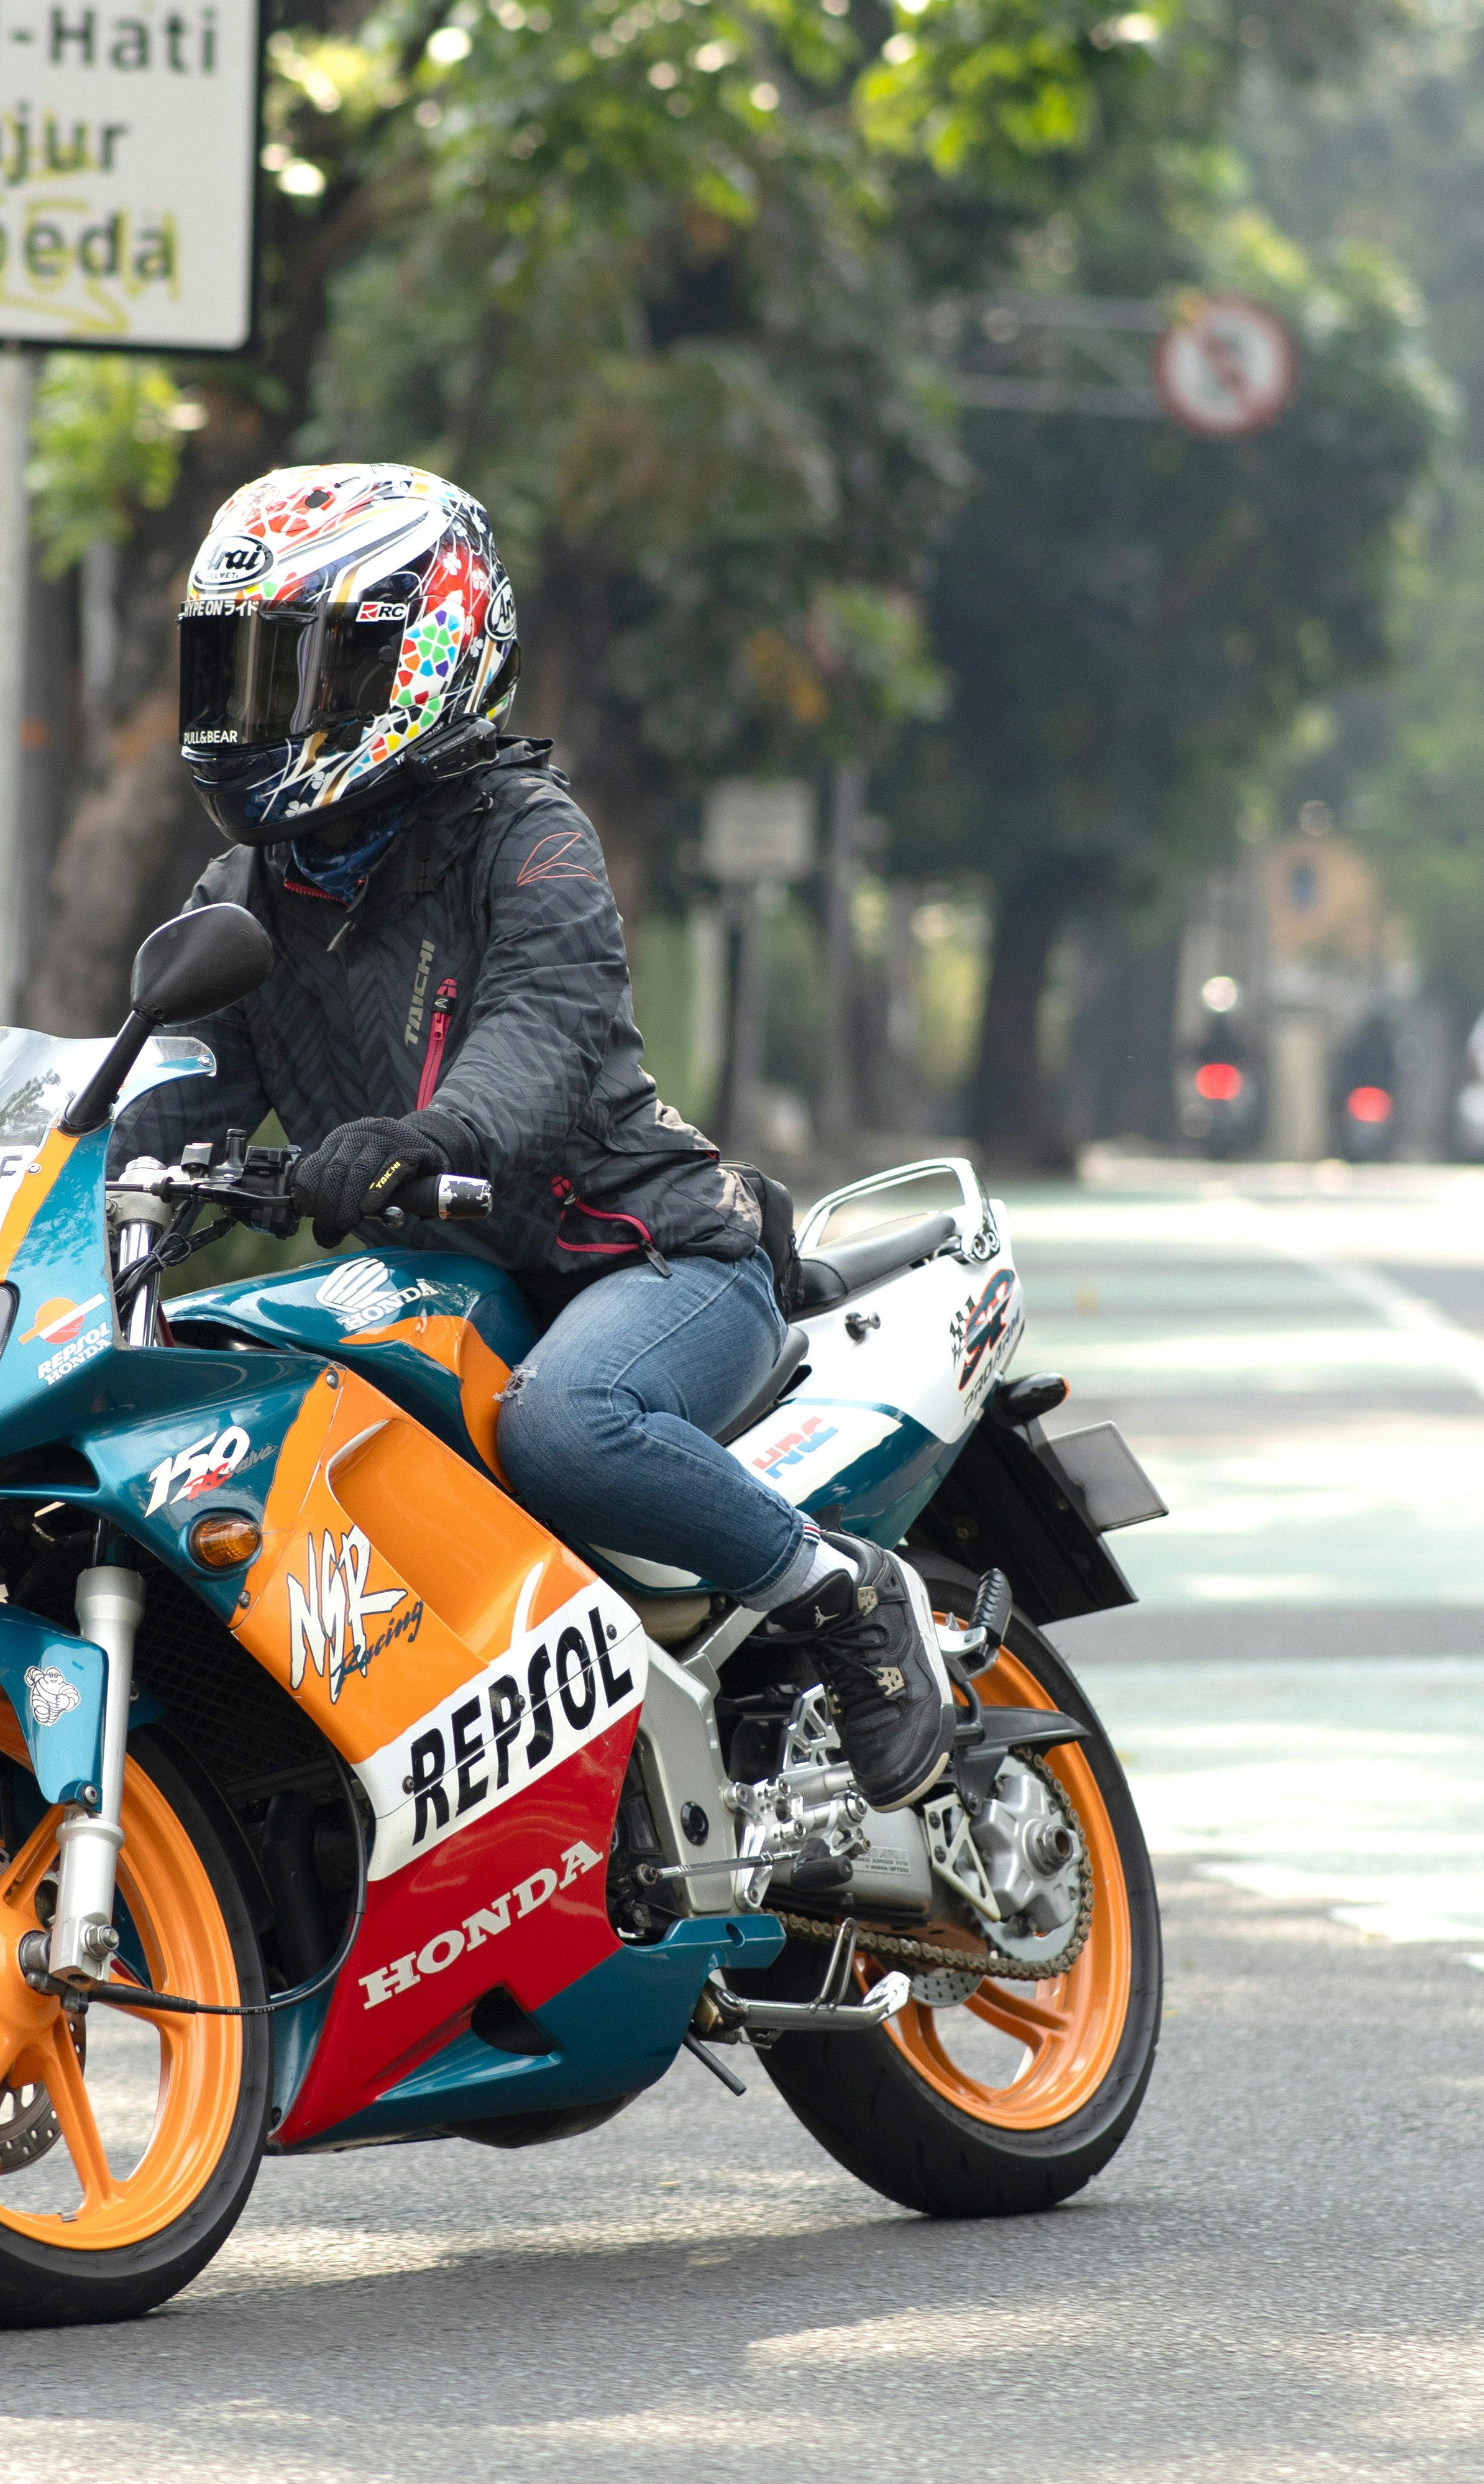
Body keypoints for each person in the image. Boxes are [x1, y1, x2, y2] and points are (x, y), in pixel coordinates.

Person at [116, 461, 953, 1812]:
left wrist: (422, 1134)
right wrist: (79, 1195)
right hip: (448, 1281)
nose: (261, 714)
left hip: (649, 1255)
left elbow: (539, 1039)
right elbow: (165, 1099)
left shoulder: (525, 836)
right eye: (239, 672)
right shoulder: (243, 898)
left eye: (309, 674)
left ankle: (839, 1598)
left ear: (425, 652)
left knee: (565, 1426)